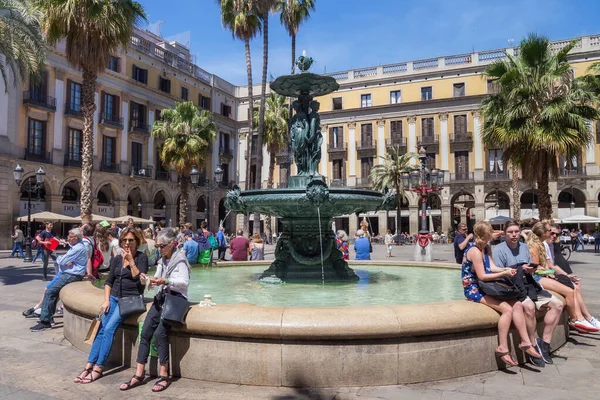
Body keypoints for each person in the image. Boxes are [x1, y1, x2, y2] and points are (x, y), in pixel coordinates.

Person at [74, 227, 148, 384]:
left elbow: (139, 280)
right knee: (100, 330)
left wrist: (131, 261)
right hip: (113, 298)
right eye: (124, 240)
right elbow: (109, 282)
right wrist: (106, 300)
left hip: (128, 300)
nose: (127, 243)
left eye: (131, 240)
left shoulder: (141, 258)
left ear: (137, 241)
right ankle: (88, 365)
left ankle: (99, 368)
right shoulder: (116, 259)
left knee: (108, 329)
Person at [461, 221, 541, 367]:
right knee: (507, 309)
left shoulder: (486, 248)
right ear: (485, 234)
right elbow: (482, 276)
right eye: (490, 232)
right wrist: (504, 272)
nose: (492, 234)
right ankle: (502, 348)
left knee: (517, 304)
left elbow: (492, 267)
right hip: (474, 288)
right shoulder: (475, 251)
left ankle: (525, 342)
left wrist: (507, 270)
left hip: (484, 285)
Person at [120, 228, 190, 393]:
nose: (159, 249)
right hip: (161, 299)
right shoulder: (162, 260)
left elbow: (184, 283)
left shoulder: (180, 260)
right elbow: (155, 282)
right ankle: (139, 374)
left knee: (160, 333)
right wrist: (148, 280)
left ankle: (164, 374)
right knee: (145, 332)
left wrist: (165, 281)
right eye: (158, 246)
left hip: (175, 300)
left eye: (162, 246)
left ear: (172, 244)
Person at [493, 221, 564, 366]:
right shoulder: (498, 250)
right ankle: (532, 344)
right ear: (505, 233)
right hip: (513, 286)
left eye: (516, 232)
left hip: (529, 284)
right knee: (530, 307)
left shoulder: (525, 247)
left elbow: (536, 269)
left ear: (520, 232)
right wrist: (517, 269)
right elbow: (498, 273)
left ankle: (544, 343)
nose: (514, 235)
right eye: (510, 232)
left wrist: (533, 270)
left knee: (558, 304)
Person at [526, 222, 598, 332]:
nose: (552, 234)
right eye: (550, 231)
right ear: (543, 233)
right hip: (536, 278)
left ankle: (580, 318)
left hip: (541, 276)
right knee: (569, 291)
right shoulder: (535, 246)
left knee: (571, 288)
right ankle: (574, 319)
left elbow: (544, 266)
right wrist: (551, 273)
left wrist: (554, 274)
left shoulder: (540, 244)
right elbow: (536, 269)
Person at [30, 228, 90, 332]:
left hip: (71, 275)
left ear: (76, 238)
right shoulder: (75, 246)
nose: (68, 238)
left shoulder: (77, 248)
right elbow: (65, 260)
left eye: (70, 237)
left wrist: (61, 258)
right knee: (52, 292)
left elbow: (62, 261)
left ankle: (45, 321)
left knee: (49, 291)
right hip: (69, 273)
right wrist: (64, 259)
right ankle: (47, 318)